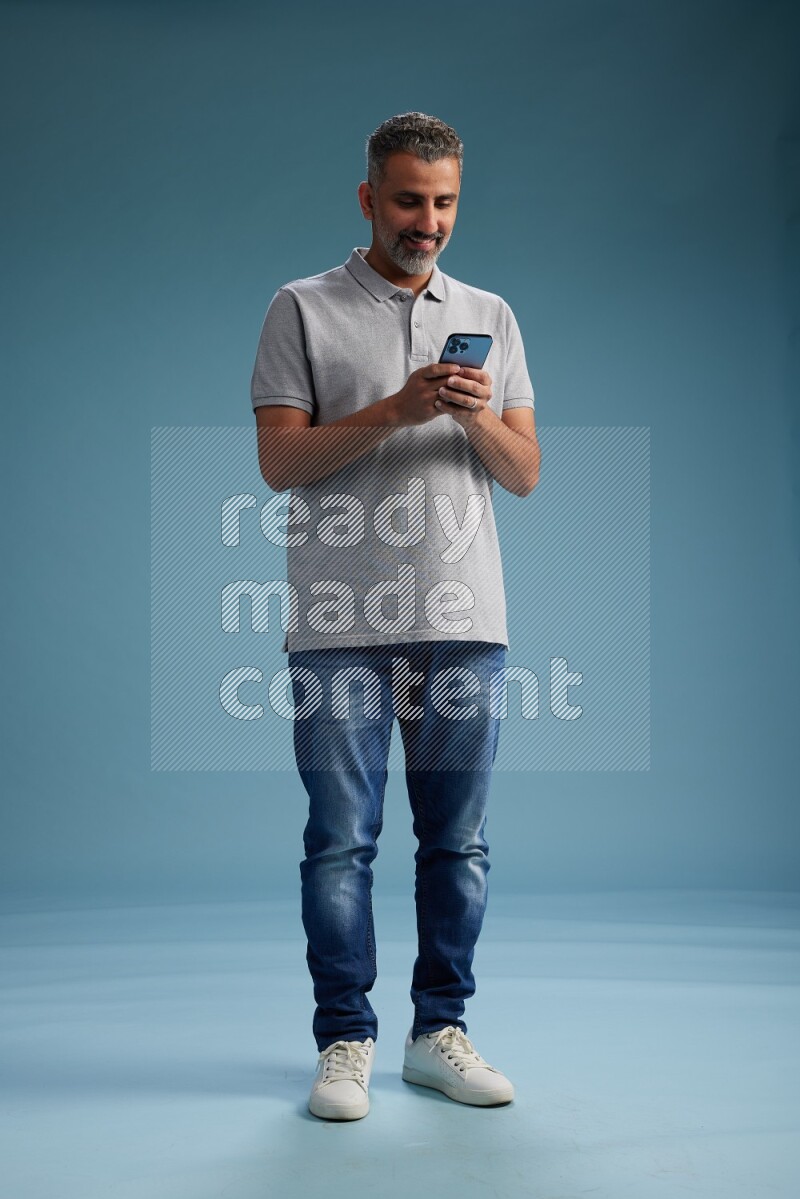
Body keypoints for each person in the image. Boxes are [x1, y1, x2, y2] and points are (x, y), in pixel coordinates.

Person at [250, 112, 540, 1121]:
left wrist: (466, 411)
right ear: (369, 198)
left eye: (444, 201)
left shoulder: (491, 314)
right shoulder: (302, 307)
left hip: (466, 615)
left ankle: (436, 1032)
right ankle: (344, 1040)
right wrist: (394, 409)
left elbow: (525, 472)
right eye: (409, 199)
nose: (428, 220)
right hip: (339, 618)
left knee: (455, 842)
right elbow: (278, 463)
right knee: (341, 840)